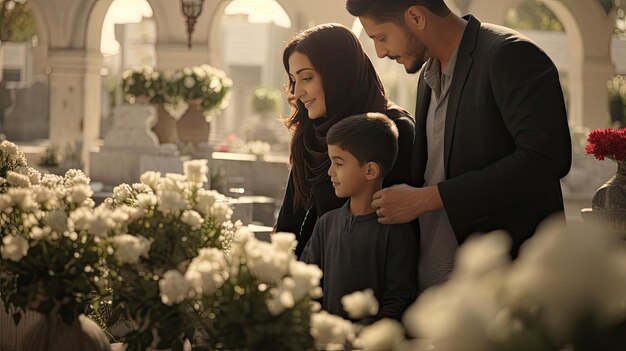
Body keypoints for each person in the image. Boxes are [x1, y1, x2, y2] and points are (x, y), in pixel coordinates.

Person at [346, 0, 572, 291]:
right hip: (436, 295)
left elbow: (546, 158)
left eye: (381, 37)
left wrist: (426, 199)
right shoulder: (427, 78)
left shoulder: (511, 55)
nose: (380, 51)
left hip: (507, 291)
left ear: (416, 16)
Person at [275, 23, 416, 258]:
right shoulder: (311, 132)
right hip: (314, 274)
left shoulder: (394, 129)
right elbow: (290, 221)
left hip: (368, 276)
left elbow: (400, 233)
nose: (297, 92)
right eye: (293, 80)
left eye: (306, 78)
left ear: (337, 74)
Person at [301, 112, 417, 322]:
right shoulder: (325, 225)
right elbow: (307, 285)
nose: (330, 172)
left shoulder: (397, 231)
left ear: (370, 170)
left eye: (339, 163)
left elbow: (398, 298)